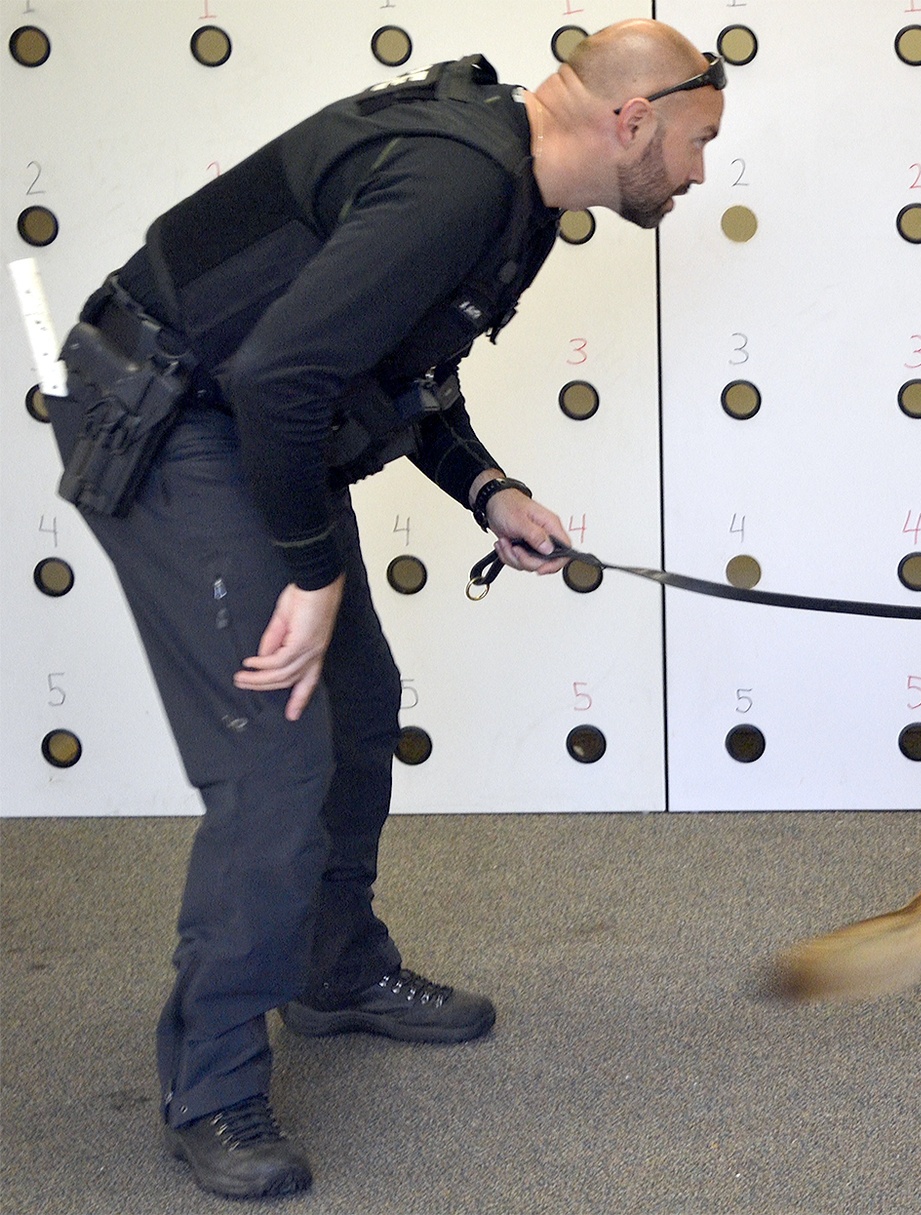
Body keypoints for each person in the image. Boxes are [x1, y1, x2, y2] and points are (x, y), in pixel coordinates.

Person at [42, 19, 723, 1201]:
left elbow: (395, 367)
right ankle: (210, 1086)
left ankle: (332, 968)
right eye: (699, 140)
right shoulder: (461, 181)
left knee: (356, 702)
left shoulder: (516, 199)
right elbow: (281, 378)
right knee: (276, 754)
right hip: (175, 417)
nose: (702, 171)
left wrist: (485, 487)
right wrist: (311, 575)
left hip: (252, 418)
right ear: (631, 121)